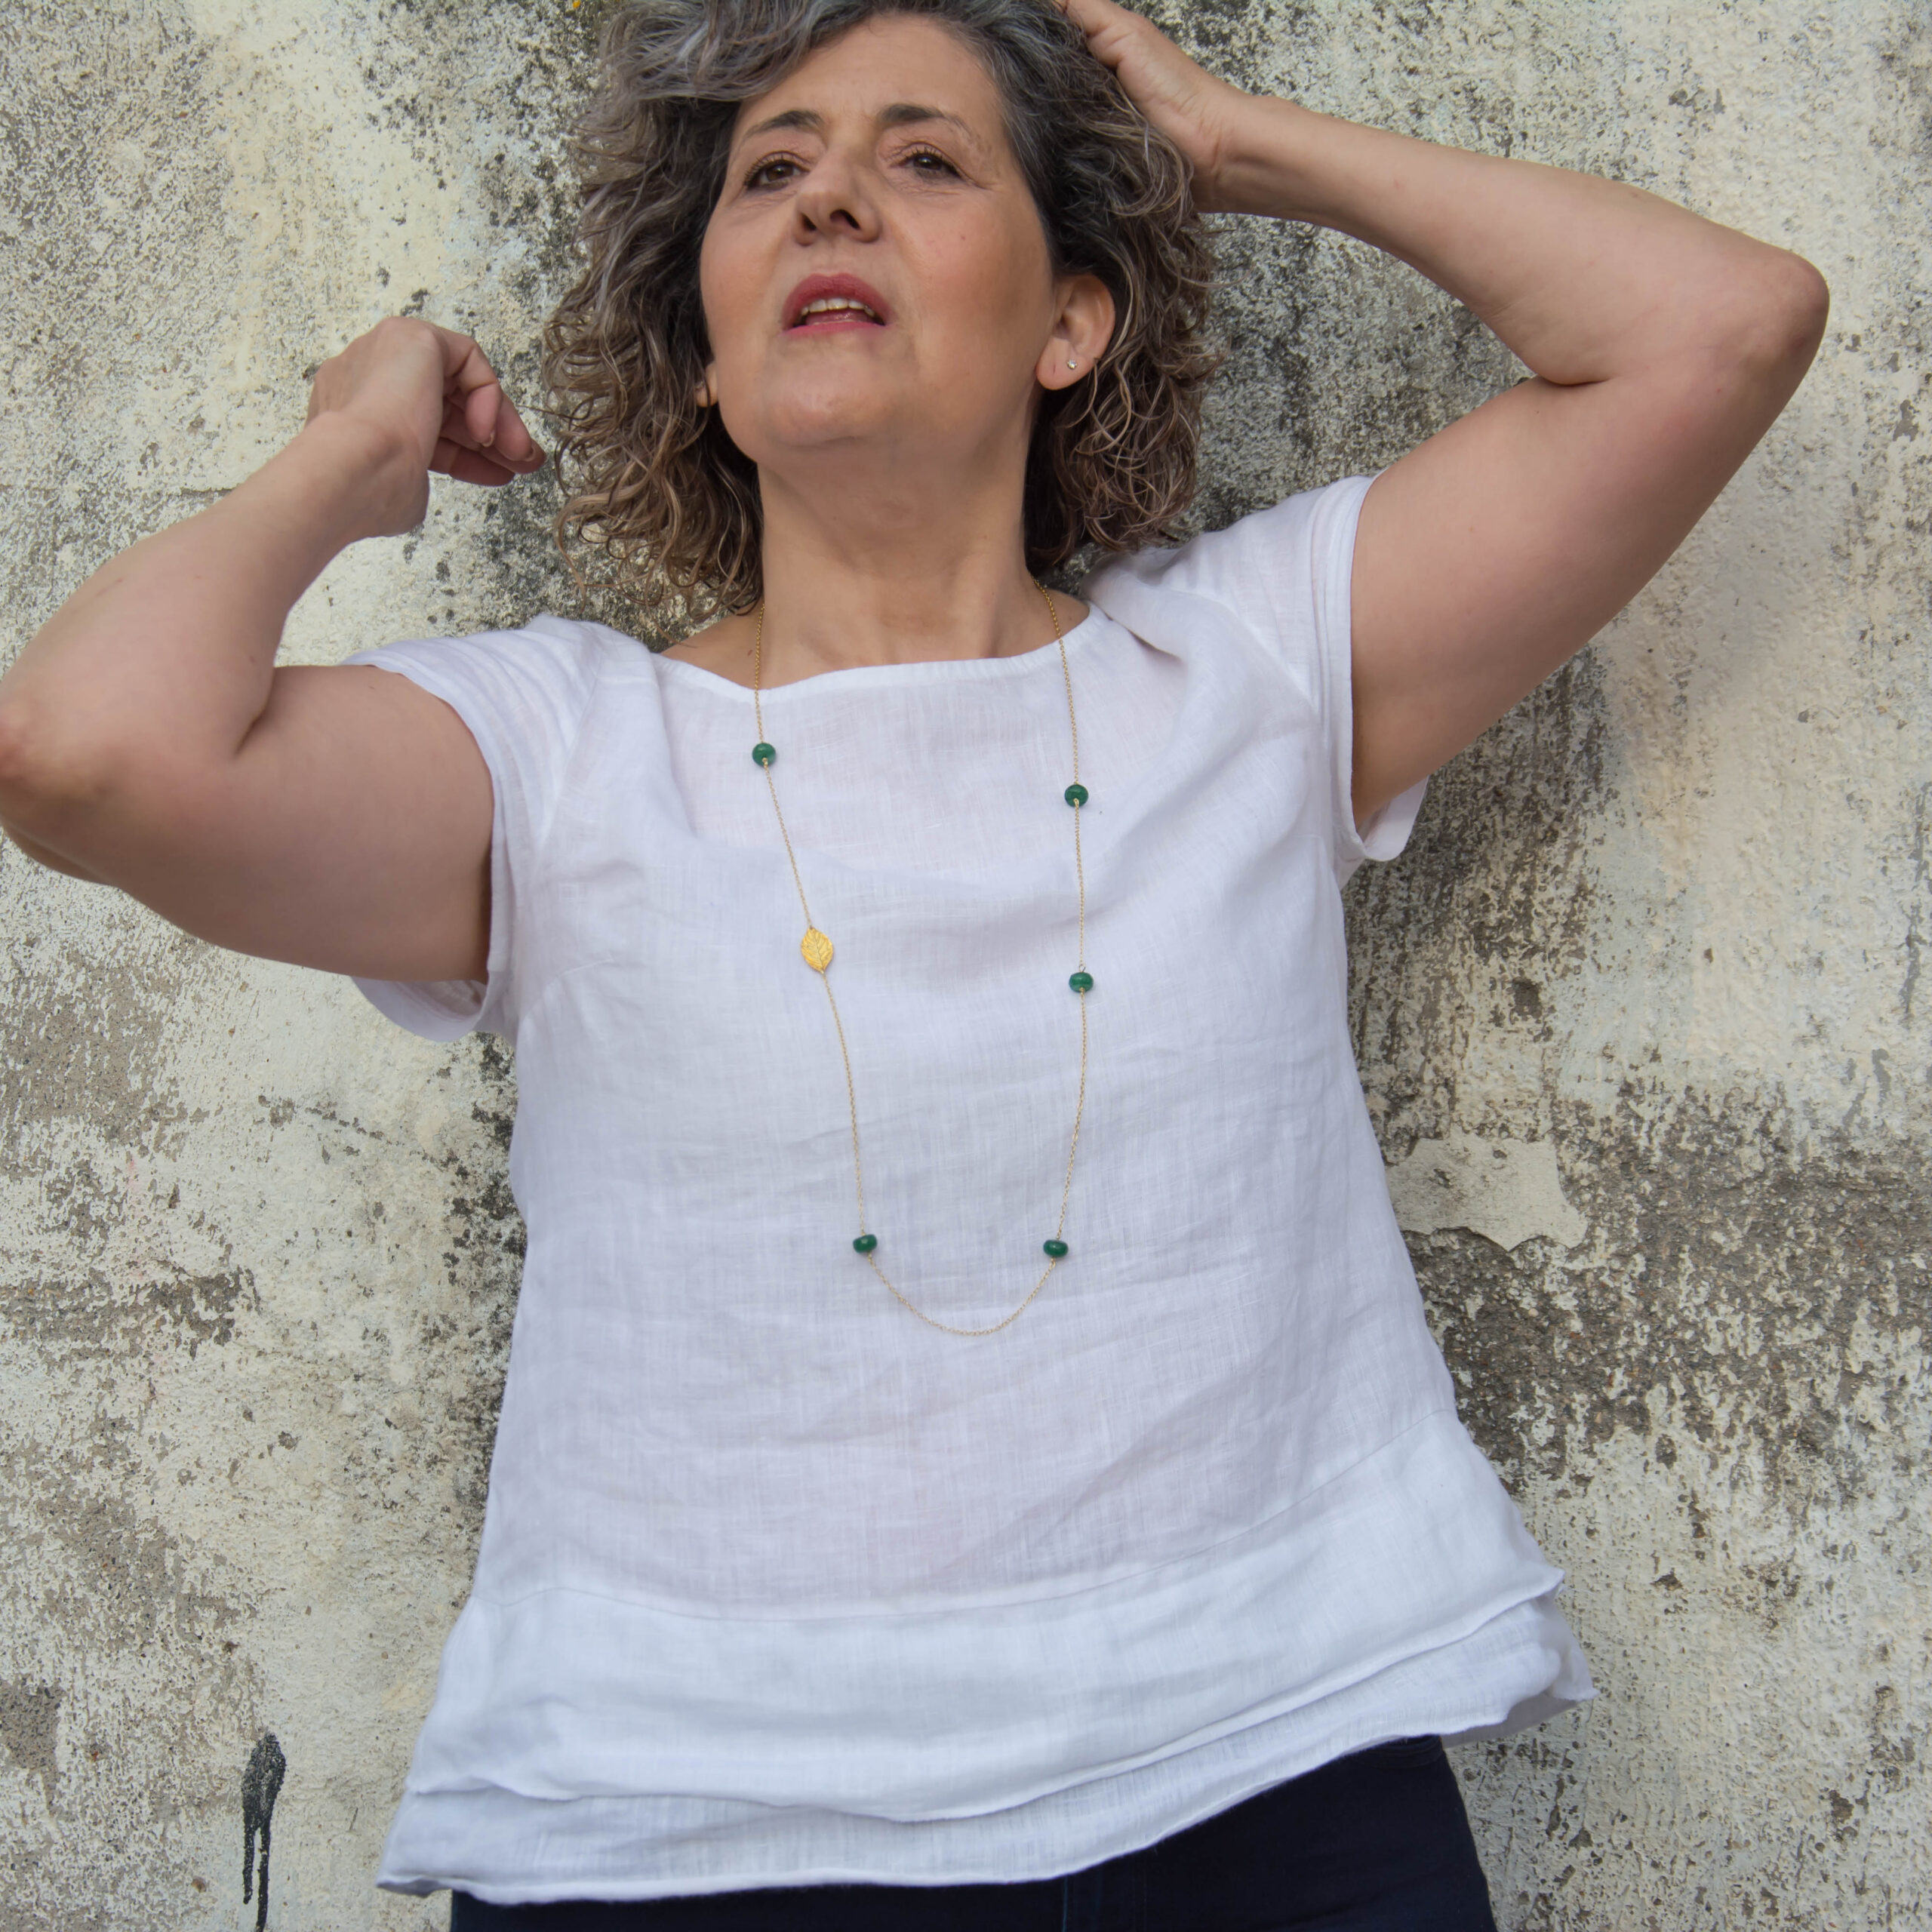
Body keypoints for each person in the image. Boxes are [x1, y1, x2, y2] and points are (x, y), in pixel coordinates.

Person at [0, 0, 1826, 1922]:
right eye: (771, 172)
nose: (829, 202)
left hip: (1269, 1780)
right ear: (704, 356)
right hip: (687, 1830)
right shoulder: (558, 755)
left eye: (926, 159)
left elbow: (1716, 328)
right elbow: (86, 750)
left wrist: (1234, 148)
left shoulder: (1249, 667)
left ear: (1069, 321)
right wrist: (350, 447)